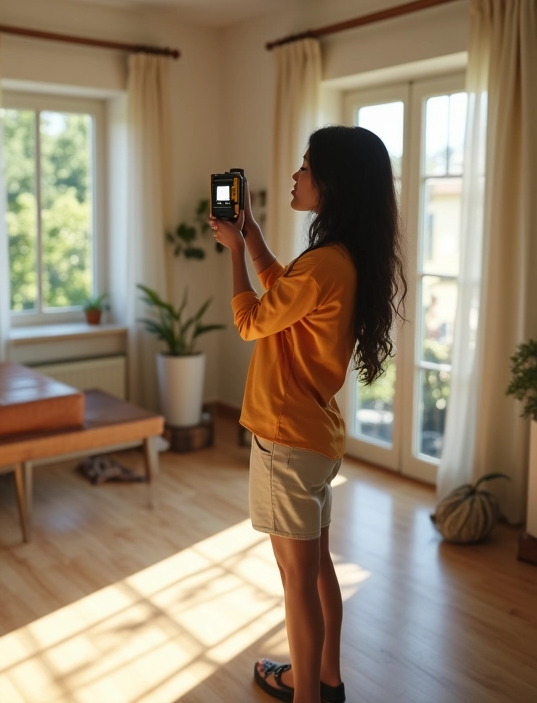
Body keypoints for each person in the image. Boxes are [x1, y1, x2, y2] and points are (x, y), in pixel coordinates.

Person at [210, 125, 407, 703]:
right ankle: (323, 680)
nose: (295, 176)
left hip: (285, 437)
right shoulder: (339, 260)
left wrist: (231, 256)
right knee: (318, 569)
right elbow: (283, 294)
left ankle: (306, 696)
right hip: (315, 437)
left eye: (304, 167)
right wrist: (252, 238)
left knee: (297, 580)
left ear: (332, 181)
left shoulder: (324, 264)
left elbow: (252, 320)